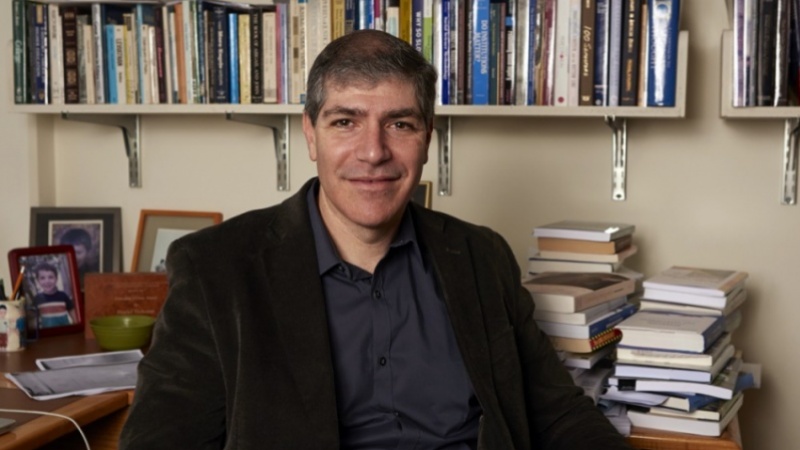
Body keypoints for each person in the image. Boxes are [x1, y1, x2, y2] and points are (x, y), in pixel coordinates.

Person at [120, 30, 632, 449]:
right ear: (310, 134)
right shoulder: (217, 268)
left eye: (399, 124)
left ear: (427, 138)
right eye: (346, 121)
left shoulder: (480, 256)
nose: (373, 152)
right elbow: (160, 441)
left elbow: (556, 413)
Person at [31, 262, 76, 328]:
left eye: (51, 277)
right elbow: (33, 319)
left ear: (56, 279)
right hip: (47, 333)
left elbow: (72, 312)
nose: (47, 281)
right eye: (42, 278)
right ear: (38, 280)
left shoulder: (63, 296)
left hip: (65, 331)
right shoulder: (37, 298)